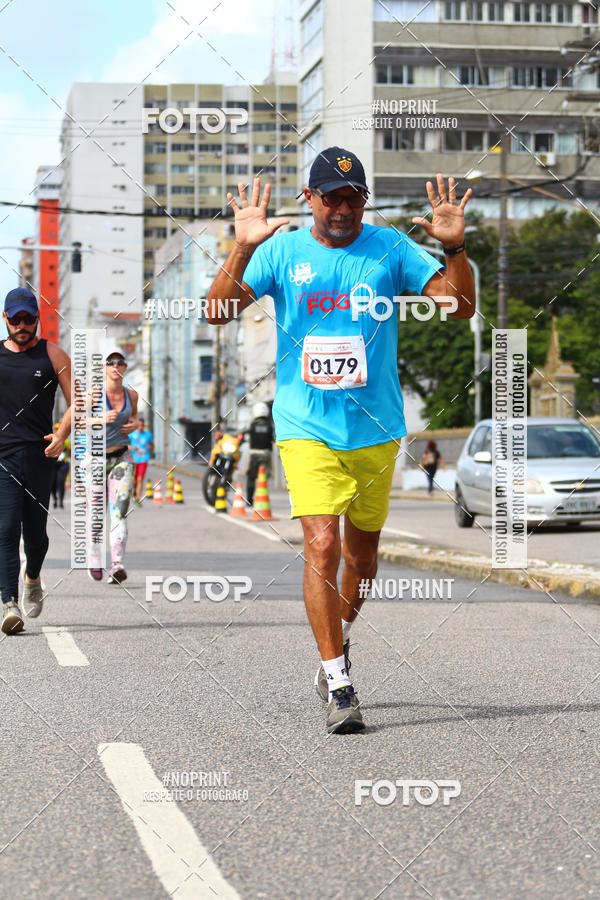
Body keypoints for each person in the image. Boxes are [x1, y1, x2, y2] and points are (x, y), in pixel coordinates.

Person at [206, 148, 475, 733]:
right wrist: (244, 246)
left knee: (362, 558)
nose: (345, 208)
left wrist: (453, 248)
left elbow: (459, 308)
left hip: (376, 427)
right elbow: (217, 312)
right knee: (322, 544)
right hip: (305, 423)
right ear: (311, 199)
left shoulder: (391, 249)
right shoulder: (279, 251)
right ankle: (338, 680)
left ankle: (340, 639)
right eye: (333, 197)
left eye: (355, 199)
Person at [0, 288, 71, 635]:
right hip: (4, 458)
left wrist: (61, 435)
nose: (23, 325)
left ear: (37, 319)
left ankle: (32, 578)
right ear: (6, 319)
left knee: (36, 535)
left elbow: (76, 401)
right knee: (6, 528)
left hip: (41, 456)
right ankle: (9, 604)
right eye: (16, 319)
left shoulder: (53, 355)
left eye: (29, 319)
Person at [88, 349, 138, 584]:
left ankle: (117, 565)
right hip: (95, 458)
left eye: (120, 362)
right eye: (111, 362)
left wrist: (135, 424)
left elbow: (135, 418)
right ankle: (94, 558)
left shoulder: (132, 395)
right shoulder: (93, 394)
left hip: (122, 458)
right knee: (97, 512)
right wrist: (98, 419)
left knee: (119, 512)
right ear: (104, 368)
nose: (116, 365)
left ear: (125, 367)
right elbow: (77, 420)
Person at [246, 401, 274, 506]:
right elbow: (274, 439)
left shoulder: (252, 425)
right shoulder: (269, 426)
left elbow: (242, 432)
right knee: (263, 478)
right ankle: (262, 500)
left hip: (254, 454)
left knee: (251, 477)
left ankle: (249, 500)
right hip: (266, 455)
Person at [129, 416, 154, 504]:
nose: (140, 427)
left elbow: (152, 446)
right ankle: (134, 493)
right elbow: (125, 446)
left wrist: (150, 447)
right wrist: (133, 447)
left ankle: (138, 497)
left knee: (140, 479)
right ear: (136, 426)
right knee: (134, 481)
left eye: (142, 425)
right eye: (139, 425)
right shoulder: (131, 434)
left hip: (144, 459)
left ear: (143, 426)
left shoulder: (148, 435)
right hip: (133, 460)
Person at [51, 423, 70, 508]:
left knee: (61, 482)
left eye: (58, 429)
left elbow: (70, 451)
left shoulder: (65, 440)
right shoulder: (50, 439)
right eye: (56, 429)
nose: (57, 430)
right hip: (53, 464)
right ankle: (55, 499)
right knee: (53, 484)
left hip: (63, 464)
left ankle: (61, 502)